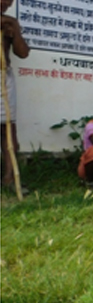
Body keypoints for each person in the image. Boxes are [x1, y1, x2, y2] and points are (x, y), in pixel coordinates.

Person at [1, 0, 29, 188]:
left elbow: (23, 53)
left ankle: (10, 178)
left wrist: (15, 30)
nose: (6, 3)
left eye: (9, 1)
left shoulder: (9, 22)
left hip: (3, 78)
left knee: (8, 129)